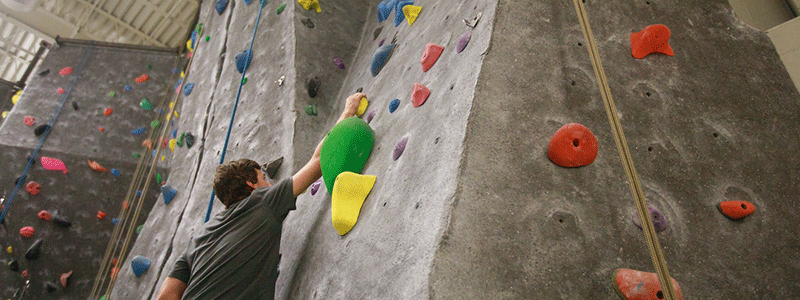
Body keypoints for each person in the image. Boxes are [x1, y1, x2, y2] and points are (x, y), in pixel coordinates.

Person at [156, 92, 366, 300]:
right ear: (251, 184)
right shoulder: (261, 201)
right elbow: (321, 158)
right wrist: (348, 111)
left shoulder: (198, 238)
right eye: (263, 178)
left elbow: (165, 296)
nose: (269, 184)